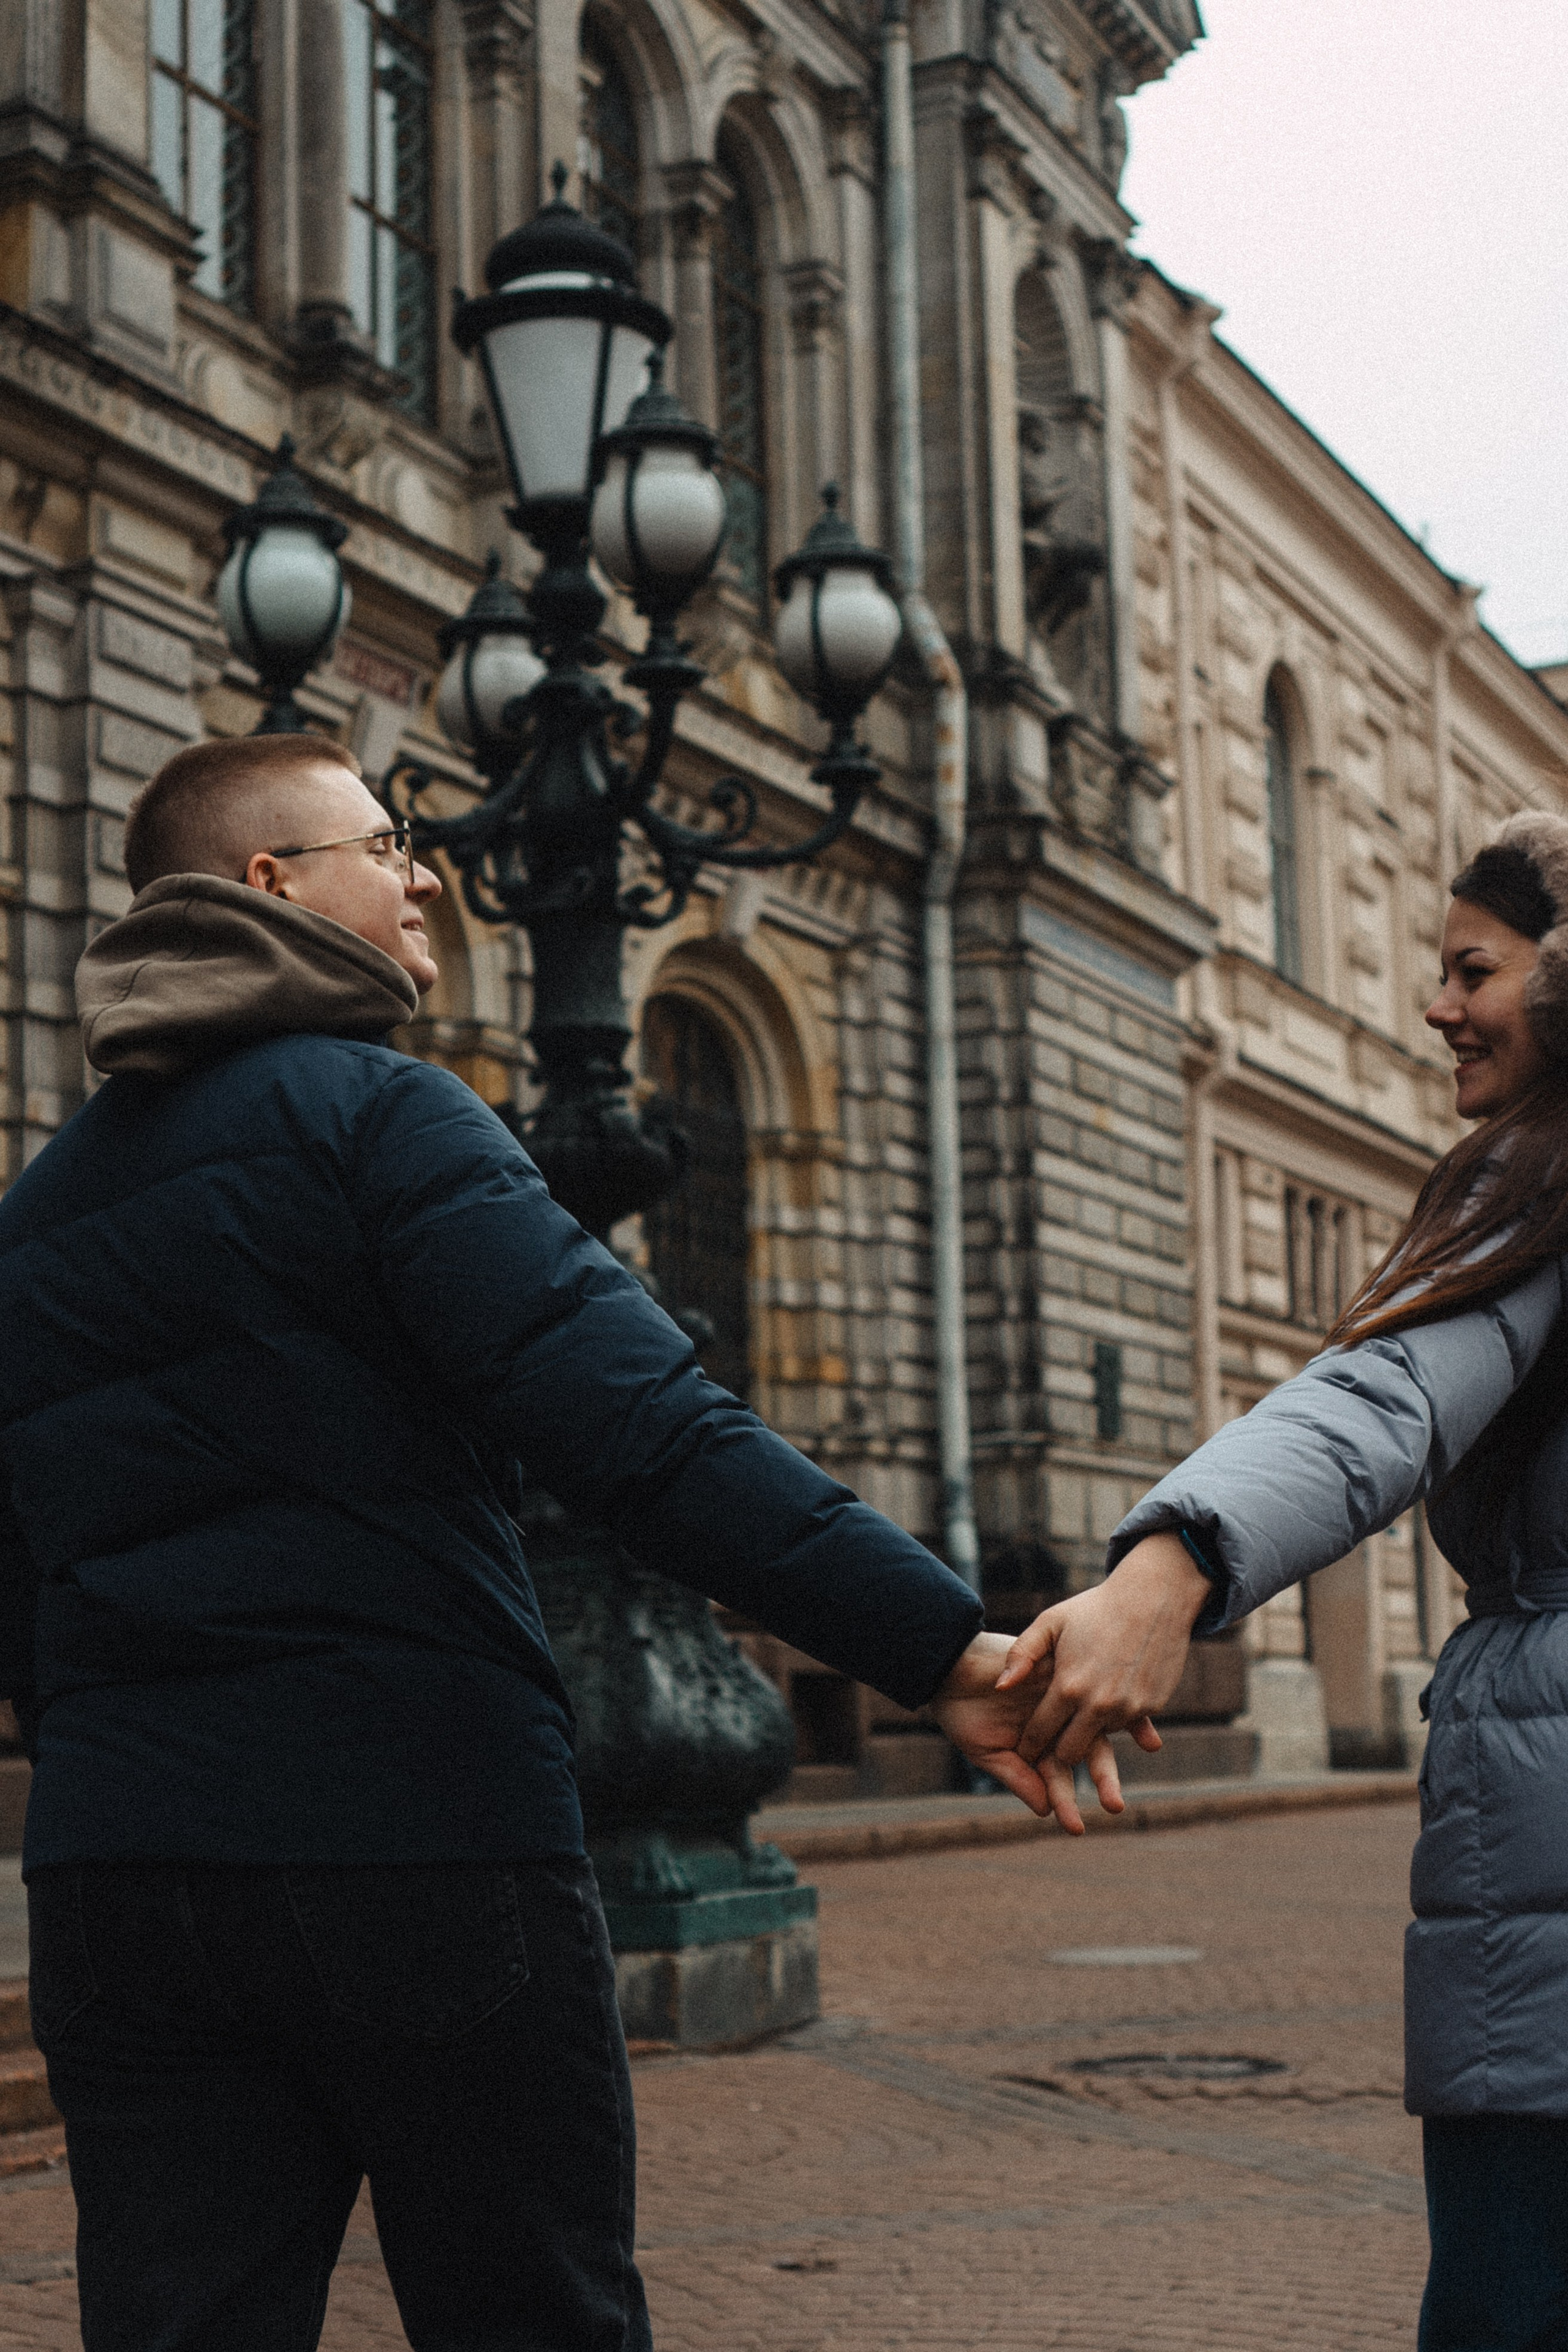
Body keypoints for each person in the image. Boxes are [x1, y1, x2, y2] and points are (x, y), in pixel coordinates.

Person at [1, 729, 1129, 2352]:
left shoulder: (35, 1218)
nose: (420, 877)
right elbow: (648, 1432)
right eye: (383, 845)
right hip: (414, 1836)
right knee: (531, 2315)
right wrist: (937, 1648)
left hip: (121, 1875)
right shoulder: (385, 1118)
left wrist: (126, 1749)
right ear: (270, 885)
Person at [998, 807, 1568, 2352]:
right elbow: (1379, 1406)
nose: (1436, 1008)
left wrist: (1167, 1569)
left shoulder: (1535, 1179)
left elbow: (1377, 1397)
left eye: (1473, 971)